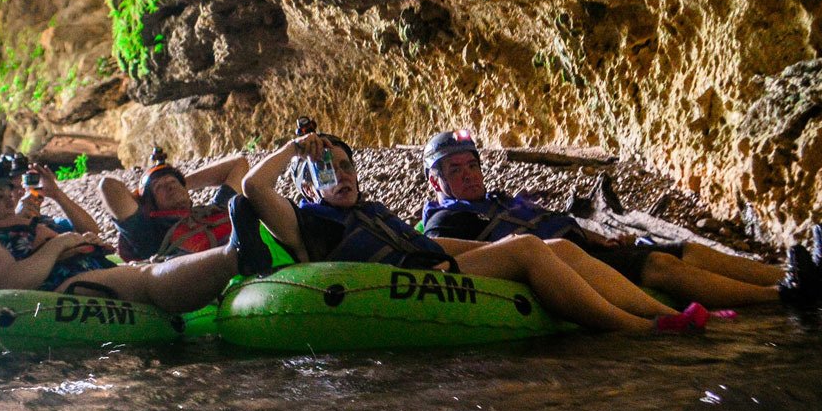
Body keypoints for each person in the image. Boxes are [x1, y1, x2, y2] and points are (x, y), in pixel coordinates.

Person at [237, 127, 714, 333]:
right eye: (325, 170)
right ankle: (637, 329)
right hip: (391, 286)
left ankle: (663, 312)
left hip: (433, 266)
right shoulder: (302, 223)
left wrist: (497, 246)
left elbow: (425, 243)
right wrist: (297, 149)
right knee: (529, 248)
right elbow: (254, 185)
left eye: (344, 167)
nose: (339, 176)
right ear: (304, 182)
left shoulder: (371, 210)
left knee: (548, 247)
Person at [419, 130, 822, 306]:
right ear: (436, 182)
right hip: (561, 268)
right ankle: (782, 295)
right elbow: (493, 260)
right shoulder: (446, 223)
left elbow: (553, 221)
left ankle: (792, 273)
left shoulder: (498, 201)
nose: (468, 174)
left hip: (585, 253)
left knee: (686, 249)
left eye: (471, 165)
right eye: (454, 170)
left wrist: (597, 237)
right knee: (659, 264)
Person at [0, 162, 243, 316]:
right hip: (60, 294)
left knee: (147, 268)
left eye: (9, 195)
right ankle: (237, 254)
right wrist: (59, 244)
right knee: (145, 276)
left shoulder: (29, 225)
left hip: (87, 272)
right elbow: (7, 284)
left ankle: (229, 257)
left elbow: (87, 226)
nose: (11, 202)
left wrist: (70, 234)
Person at [99, 149, 248, 260]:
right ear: (151, 205)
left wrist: (181, 184)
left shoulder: (212, 210)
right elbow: (109, 187)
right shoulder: (149, 233)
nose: (170, 187)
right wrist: (143, 198)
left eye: (172, 182)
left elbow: (238, 164)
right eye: (159, 187)